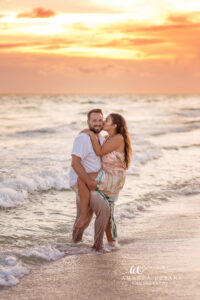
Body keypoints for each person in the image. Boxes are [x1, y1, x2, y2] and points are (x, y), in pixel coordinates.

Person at [75, 113, 132, 234]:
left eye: (107, 120)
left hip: (114, 177)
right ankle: (112, 244)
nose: (103, 122)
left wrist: (90, 134)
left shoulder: (118, 138)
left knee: (81, 179)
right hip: (107, 174)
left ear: (114, 125)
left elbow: (99, 152)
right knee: (108, 217)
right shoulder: (107, 137)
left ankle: (84, 215)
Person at [69, 109, 115, 251]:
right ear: (88, 122)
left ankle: (74, 244)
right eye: (94, 120)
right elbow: (75, 163)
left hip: (92, 180)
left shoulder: (100, 137)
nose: (97, 123)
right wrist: (89, 182)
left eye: (100, 120)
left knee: (85, 217)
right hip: (83, 181)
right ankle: (98, 248)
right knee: (103, 208)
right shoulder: (83, 138)